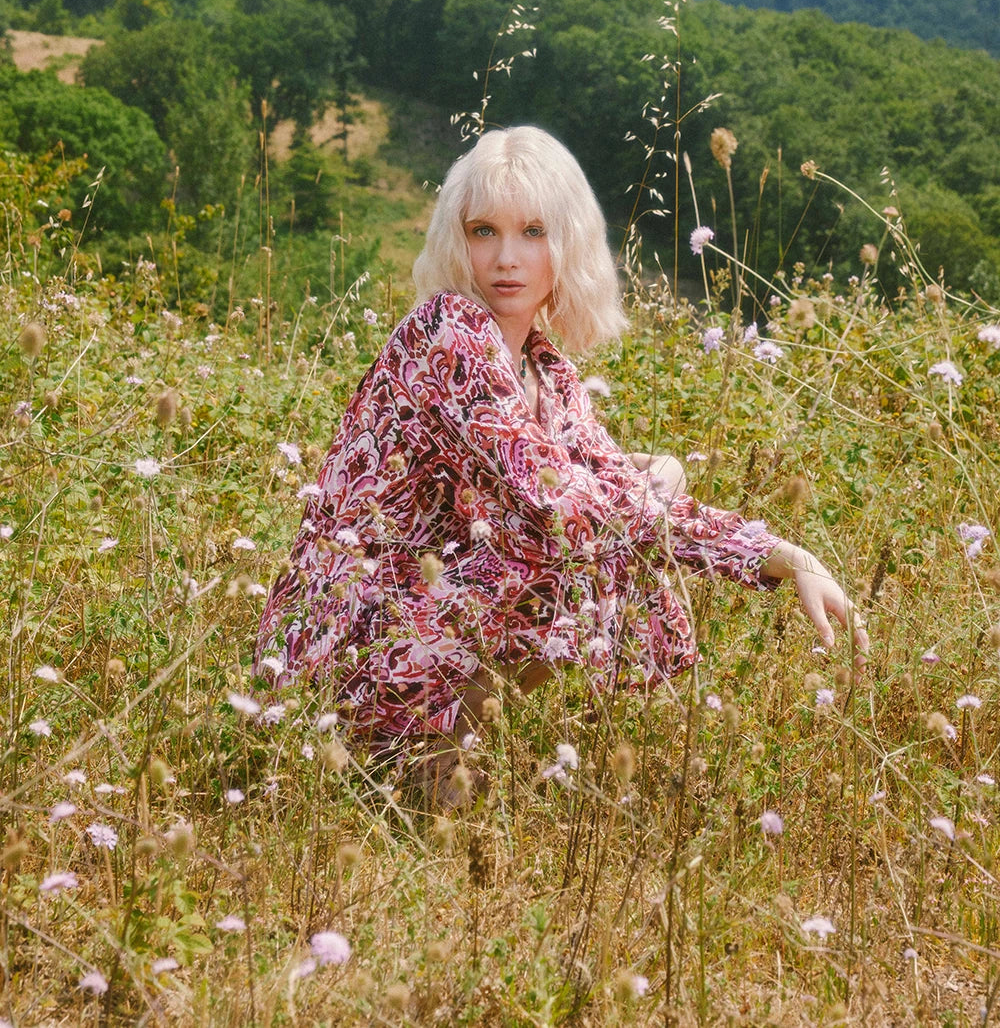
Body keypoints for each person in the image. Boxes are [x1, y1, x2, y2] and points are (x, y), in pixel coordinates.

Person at [255, 127, 867, 800]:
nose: (506, 259)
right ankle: (413, 765)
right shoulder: (449, 329)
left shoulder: (544, 368)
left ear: (567, 244)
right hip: (342, 639)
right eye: (484, 231)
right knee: (564, 550)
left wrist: (654, 476)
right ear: (458, 242)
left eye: (533, 232)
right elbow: (560, 505)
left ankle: (436, 755)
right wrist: (774, 552)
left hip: (405, 627)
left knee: (602, 540)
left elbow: (576, 473)